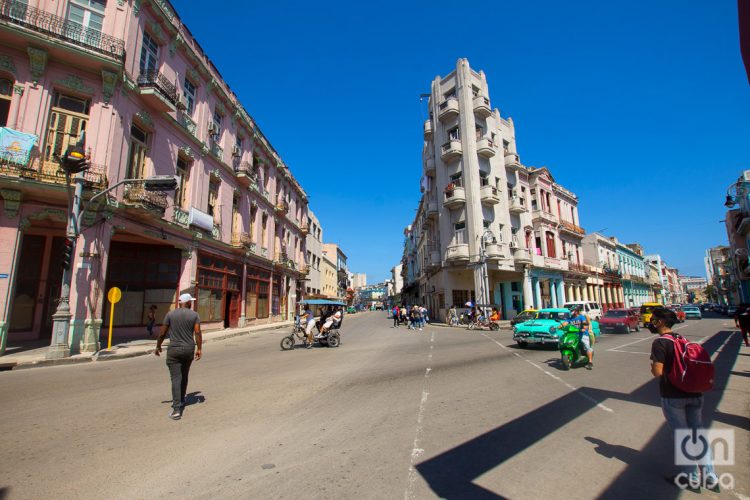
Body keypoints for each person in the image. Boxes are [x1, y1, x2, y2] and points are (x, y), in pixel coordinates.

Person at [649, 307, 719, 491]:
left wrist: (653, 368)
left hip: (673, 395)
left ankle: (691, 477)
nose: (652, 322)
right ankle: (710, 476)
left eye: (654, 319)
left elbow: (658, 372)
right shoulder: (681, 339)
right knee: (698, 435)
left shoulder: (660, 343)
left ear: (661, 322)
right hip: (694, 393)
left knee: (682, 436)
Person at [155, 293, 202, 421]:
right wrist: (199, 348)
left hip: (174, 350)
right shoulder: (194, 315)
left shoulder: (170, 314)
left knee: (176, 378)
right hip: (188, 349)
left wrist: (158, 346)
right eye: (191, 302)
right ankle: (181, 399)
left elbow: (162, 332)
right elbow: (197, 332)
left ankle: (176, 409)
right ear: (187, 303)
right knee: (184, 375)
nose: (192, 303)